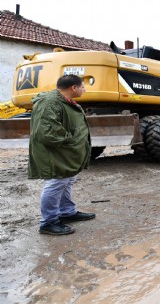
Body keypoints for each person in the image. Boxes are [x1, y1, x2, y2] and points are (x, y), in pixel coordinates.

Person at [29, 74, 95, 236]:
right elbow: (47, 133)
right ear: (74, 88)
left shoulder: (63, 101)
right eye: (82, 86)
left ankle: (67, 212)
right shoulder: (49, 103)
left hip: (64, 152)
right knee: (56, 182)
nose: (84, 89)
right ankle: (49, 222)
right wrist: (71, 141)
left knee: (67, 179)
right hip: (56, 153)